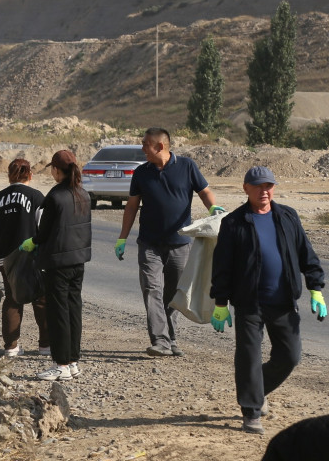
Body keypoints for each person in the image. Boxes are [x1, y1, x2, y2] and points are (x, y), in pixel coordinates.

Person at [210, 166, 326, 435]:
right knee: (249, 357)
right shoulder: (234, 222)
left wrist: (316, 289)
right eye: (258, 186)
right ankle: (251, 412)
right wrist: (220, 302)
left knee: (290, 356)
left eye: (269, 186)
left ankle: (256, 390)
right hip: (249, 302)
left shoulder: (287, 216)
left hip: (283, 301)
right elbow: (222, 265)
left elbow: (306, 255)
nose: (264, 191)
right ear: (246, 188)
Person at [116, 127, 222, 358]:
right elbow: (132, 206)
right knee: (152, 289)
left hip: (180, 243)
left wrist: (212, 207)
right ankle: (160, 340)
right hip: (149, 244)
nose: (142, 148)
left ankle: (171, 338)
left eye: (146, 144)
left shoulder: (187, 166)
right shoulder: (141, 173)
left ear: (160, 147)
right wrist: (122, 237)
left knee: (174, 294)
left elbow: (204, 191)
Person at [23, 150, 91, 381]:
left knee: (58, 312)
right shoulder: (83, 194)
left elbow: (44, 231)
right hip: (78, 261)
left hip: (58, 262)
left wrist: (33, 242)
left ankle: (60, 364)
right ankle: (72, 361)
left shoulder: (55, 196)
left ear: (56, 170)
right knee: (74, 310)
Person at [0, 158, 50, 357]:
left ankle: (11, 346)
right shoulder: (36, 197)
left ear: (8, 175)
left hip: (4, 259)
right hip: (31, 256)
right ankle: (45, 346)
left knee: (13, 299)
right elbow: (44, 228)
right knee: (41, 298)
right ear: (31, 175)